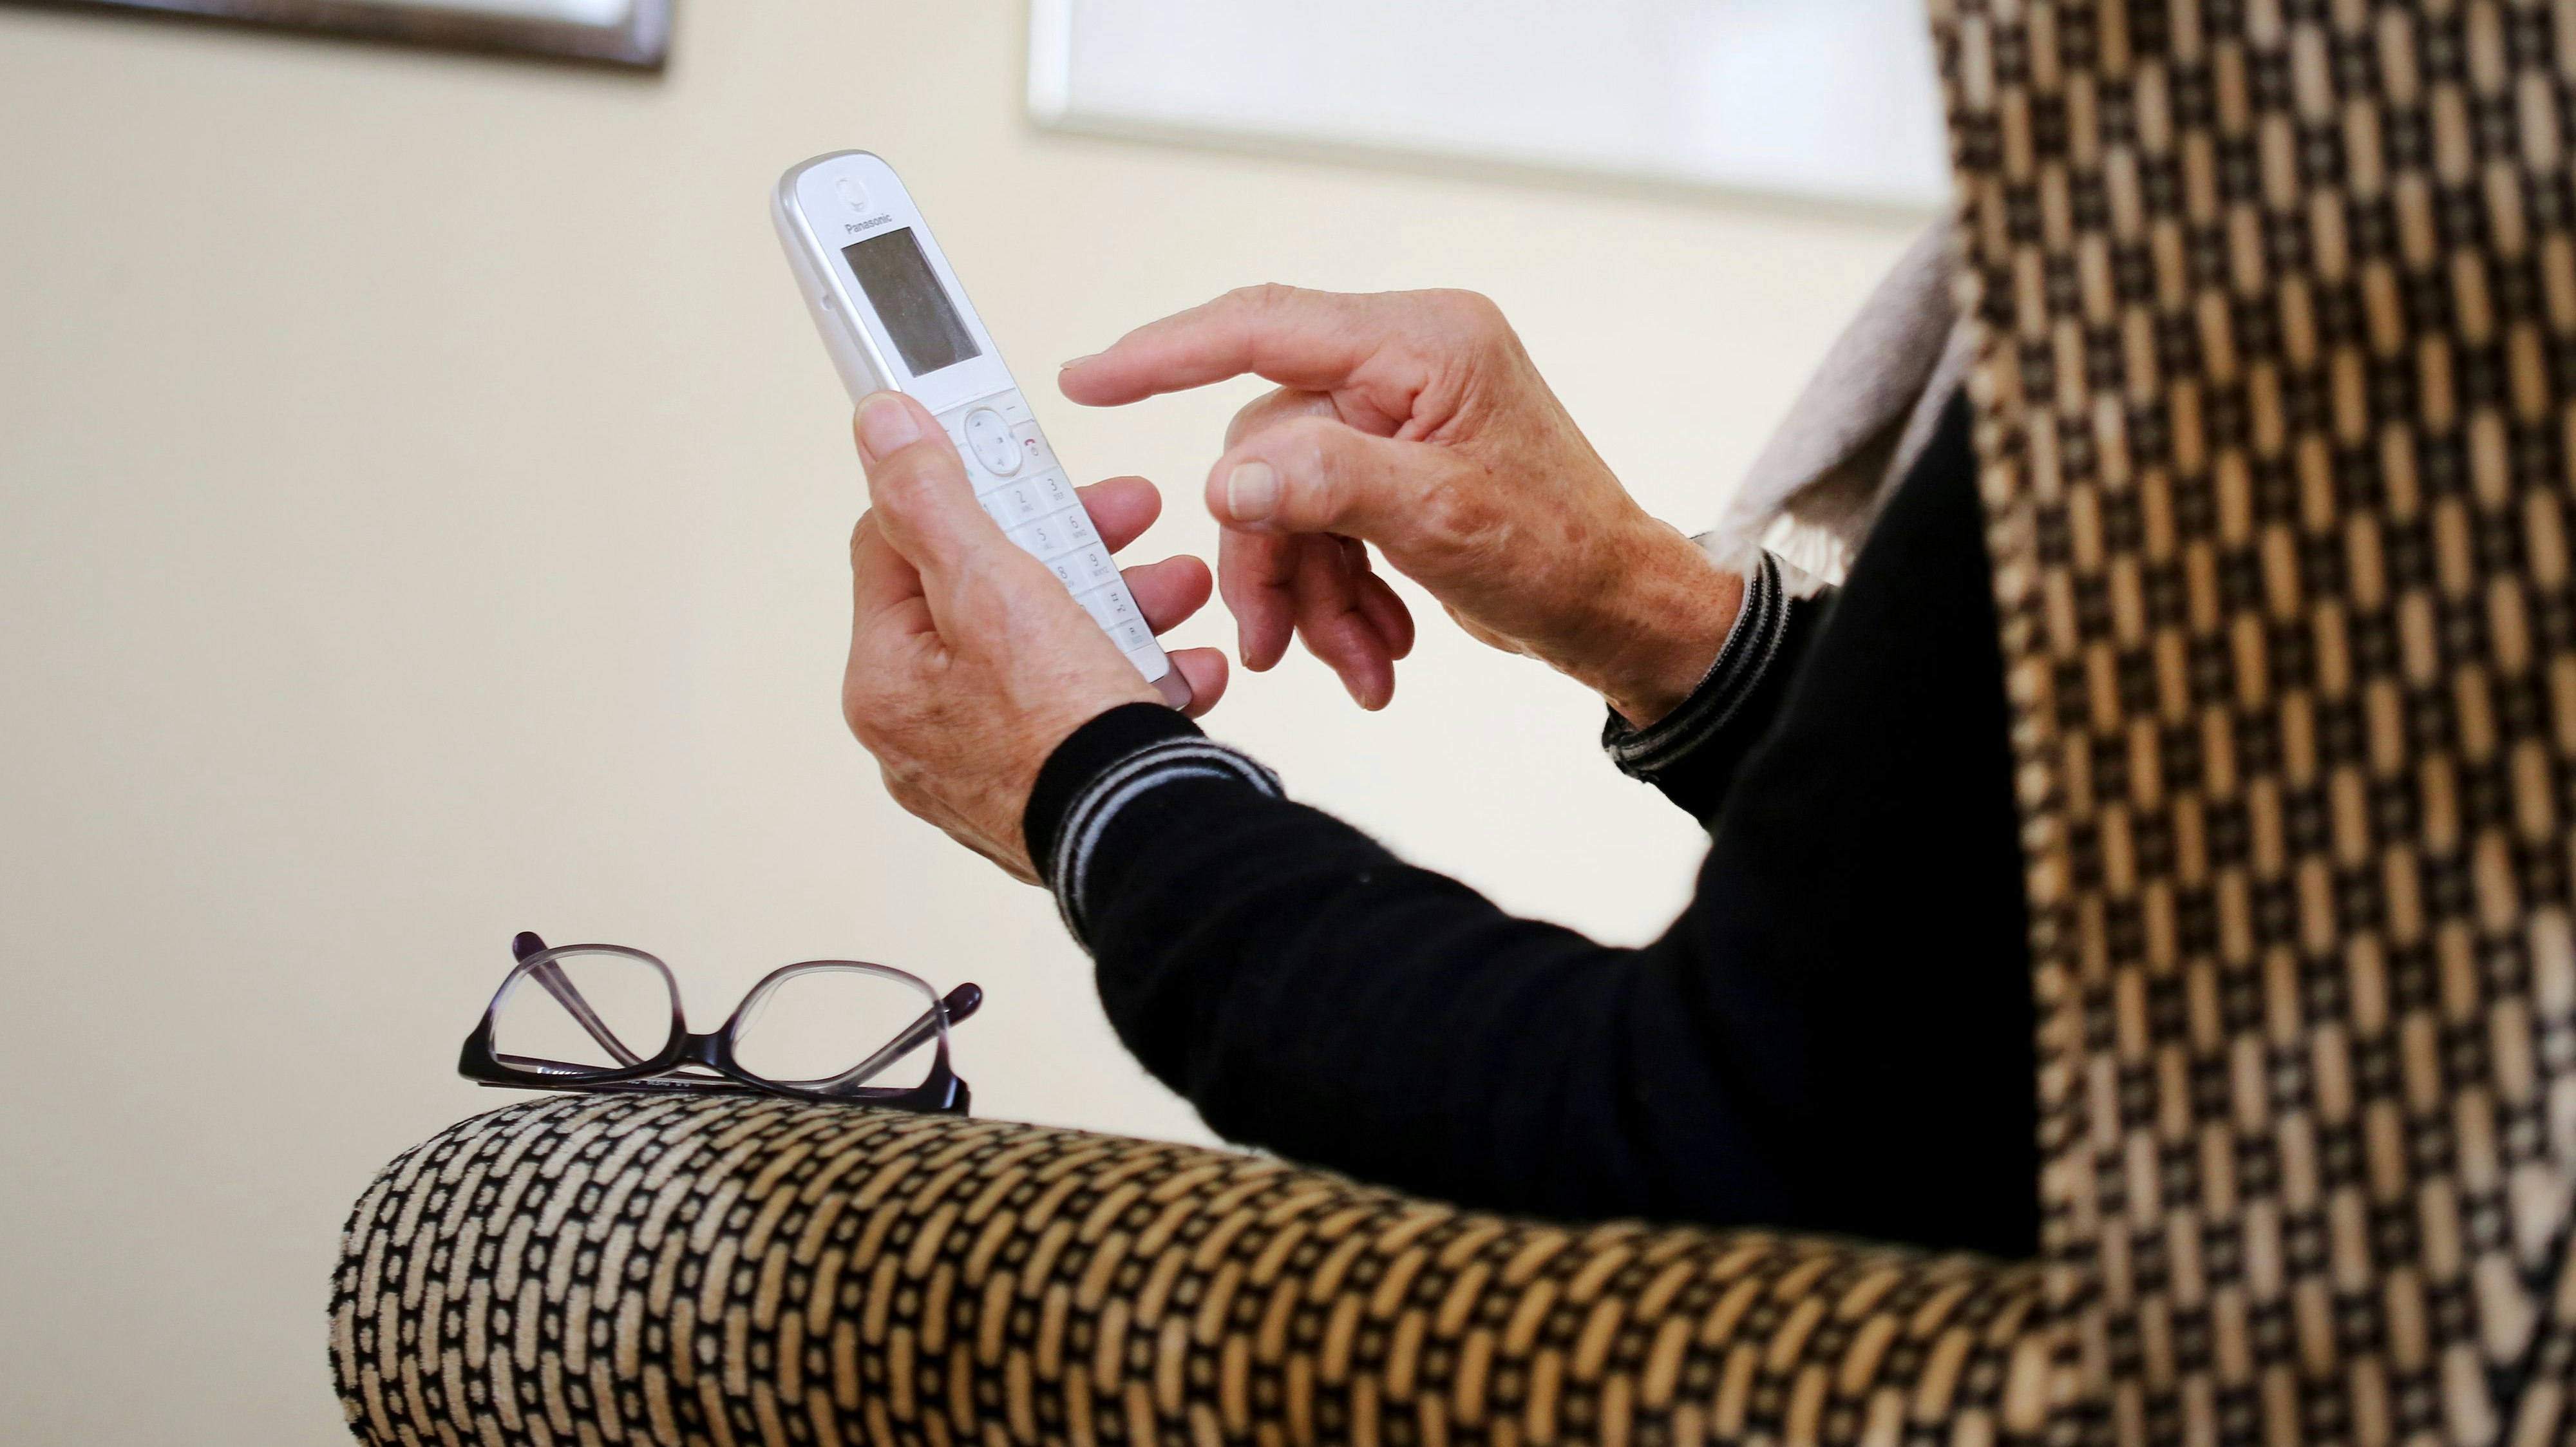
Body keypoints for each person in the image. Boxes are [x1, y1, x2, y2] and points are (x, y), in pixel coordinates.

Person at [837, 229, 2037, 1258]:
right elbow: (1992, 937)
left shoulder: (2150, 306)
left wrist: (1096, 786)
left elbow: (1721, 1139)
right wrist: (1642, 601)